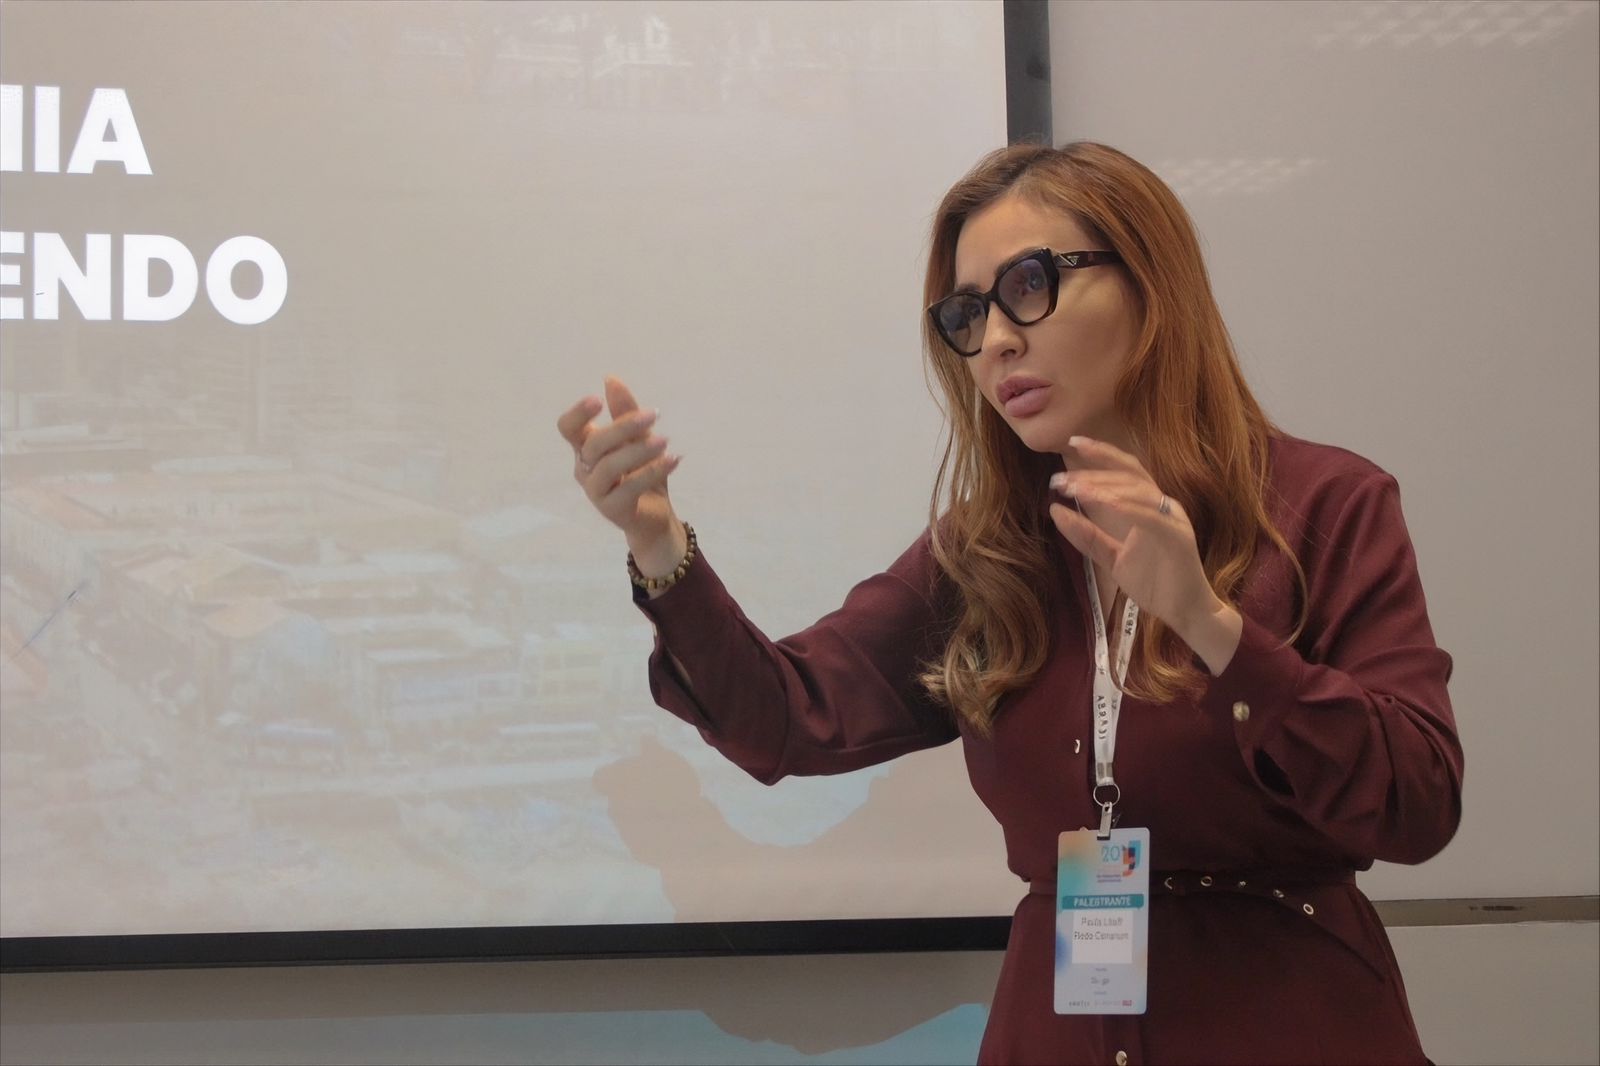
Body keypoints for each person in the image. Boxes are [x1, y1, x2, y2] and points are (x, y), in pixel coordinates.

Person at [556, 141, 1463, 1066]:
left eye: (1029, 285)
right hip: (1058, 1026)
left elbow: (1418, 804)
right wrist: (659, 547)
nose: (996, 340)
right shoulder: (988, 548)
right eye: (968, 312)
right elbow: (790, 715)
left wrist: (1212, 626)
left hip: (1290, 1019)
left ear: (1151, 283)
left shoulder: (1326, 506)